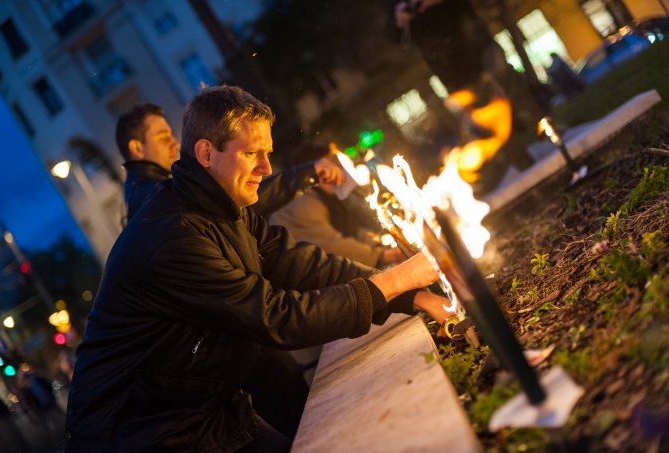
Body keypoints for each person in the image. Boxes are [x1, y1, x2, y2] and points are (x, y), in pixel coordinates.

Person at [67, 85, 452, 452]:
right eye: (252, 153)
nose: (266, 168)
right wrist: (397, 278)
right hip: (141, 433)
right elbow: (276, 317)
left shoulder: (224, 208)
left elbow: (300, 264)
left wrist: (408, 295)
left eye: (267, 153)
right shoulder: (173, 236)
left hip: (204, 406)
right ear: (205, 154)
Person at [387, 0, 543, 192]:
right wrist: (399, 21)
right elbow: (393, 34)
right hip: (450, 68)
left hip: (473, 41)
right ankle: (525, 165)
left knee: (510, 86)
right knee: (484, 117)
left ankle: (545, 129)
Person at [115, 103, 343, 222]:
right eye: (164, 138)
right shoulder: (154, 196)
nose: (174, 144)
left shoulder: (148, 190)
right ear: (136, 147)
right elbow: (228, 200)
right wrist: (305, 174)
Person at [270, 145, 405, 268]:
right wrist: (385, 255)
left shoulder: (332, 197)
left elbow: (351, 230)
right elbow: (332, 244)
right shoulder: (301, 202)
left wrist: (376, 242)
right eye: (332, 163)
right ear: (316, 171)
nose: (339, 168)